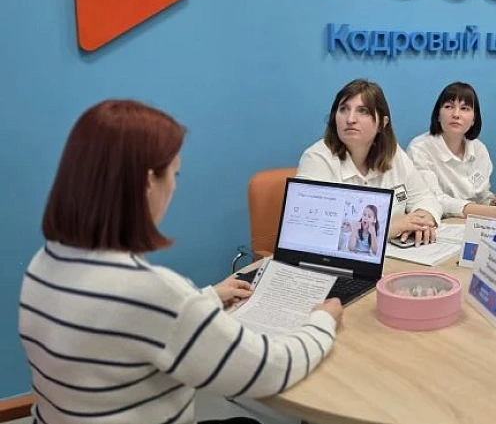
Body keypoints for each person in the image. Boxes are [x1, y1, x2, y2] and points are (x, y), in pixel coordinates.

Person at [18, 100, 343, 424]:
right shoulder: (150, 291)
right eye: (174, 174)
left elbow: (131, 323)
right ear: (148, 182)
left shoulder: (44, 263)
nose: (173, 186)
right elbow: (268, 370)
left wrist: (204, 299)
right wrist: (322, 322)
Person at [297, 79, 442, 245]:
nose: (350, 119)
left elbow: (426, 199)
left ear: (382, 124)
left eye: (363, 111)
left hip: (394, 255)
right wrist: (391, 227)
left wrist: (420, 222)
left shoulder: (393, 154)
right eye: (343, 109)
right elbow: (314, 229)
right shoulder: (317, 159)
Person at [407, 82, 496, 219]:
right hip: (439, 224)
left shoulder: (479, 149)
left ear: (474, 119)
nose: (456, 114)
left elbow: (482, 195)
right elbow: (432, 200)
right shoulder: (420, 149)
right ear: (438, 115)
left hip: (472, 222)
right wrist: (492, 212)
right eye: (449, 107)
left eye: (464, 108)